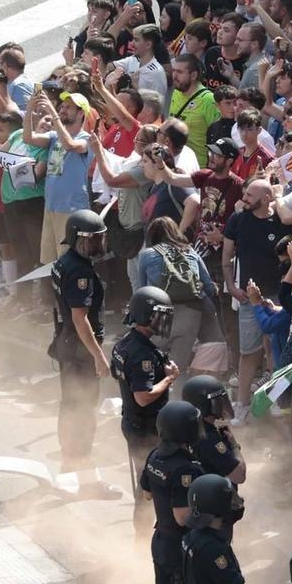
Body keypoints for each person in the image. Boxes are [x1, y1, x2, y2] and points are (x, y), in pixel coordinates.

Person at [138, 398, 205, 584]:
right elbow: (182, 517)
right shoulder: (185, 469)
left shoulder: (155, 457)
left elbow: (146, 493)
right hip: (179, 547)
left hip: (160, 539)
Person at [49, 210, 112, 491]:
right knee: (83, 413)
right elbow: (80, 317)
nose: (98, 244)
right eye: (93, 239)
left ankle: (69, 470)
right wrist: (99, 356)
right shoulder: (80, 272)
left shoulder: (65, 263)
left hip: (67, 344)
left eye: (100, 238)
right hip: (80, 349)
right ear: (77, 239)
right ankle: (86, 481)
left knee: (71, 407)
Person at [114, 285, 179, 513]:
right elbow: (143, 397)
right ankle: (143, 536)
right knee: (150, 487)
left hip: (132, 422)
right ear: (146, 315)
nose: (163, 321)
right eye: (159, 315)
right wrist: (169, 379)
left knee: (146, 483)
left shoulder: (124, 343)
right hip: (145, 428)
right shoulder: (143, 354)